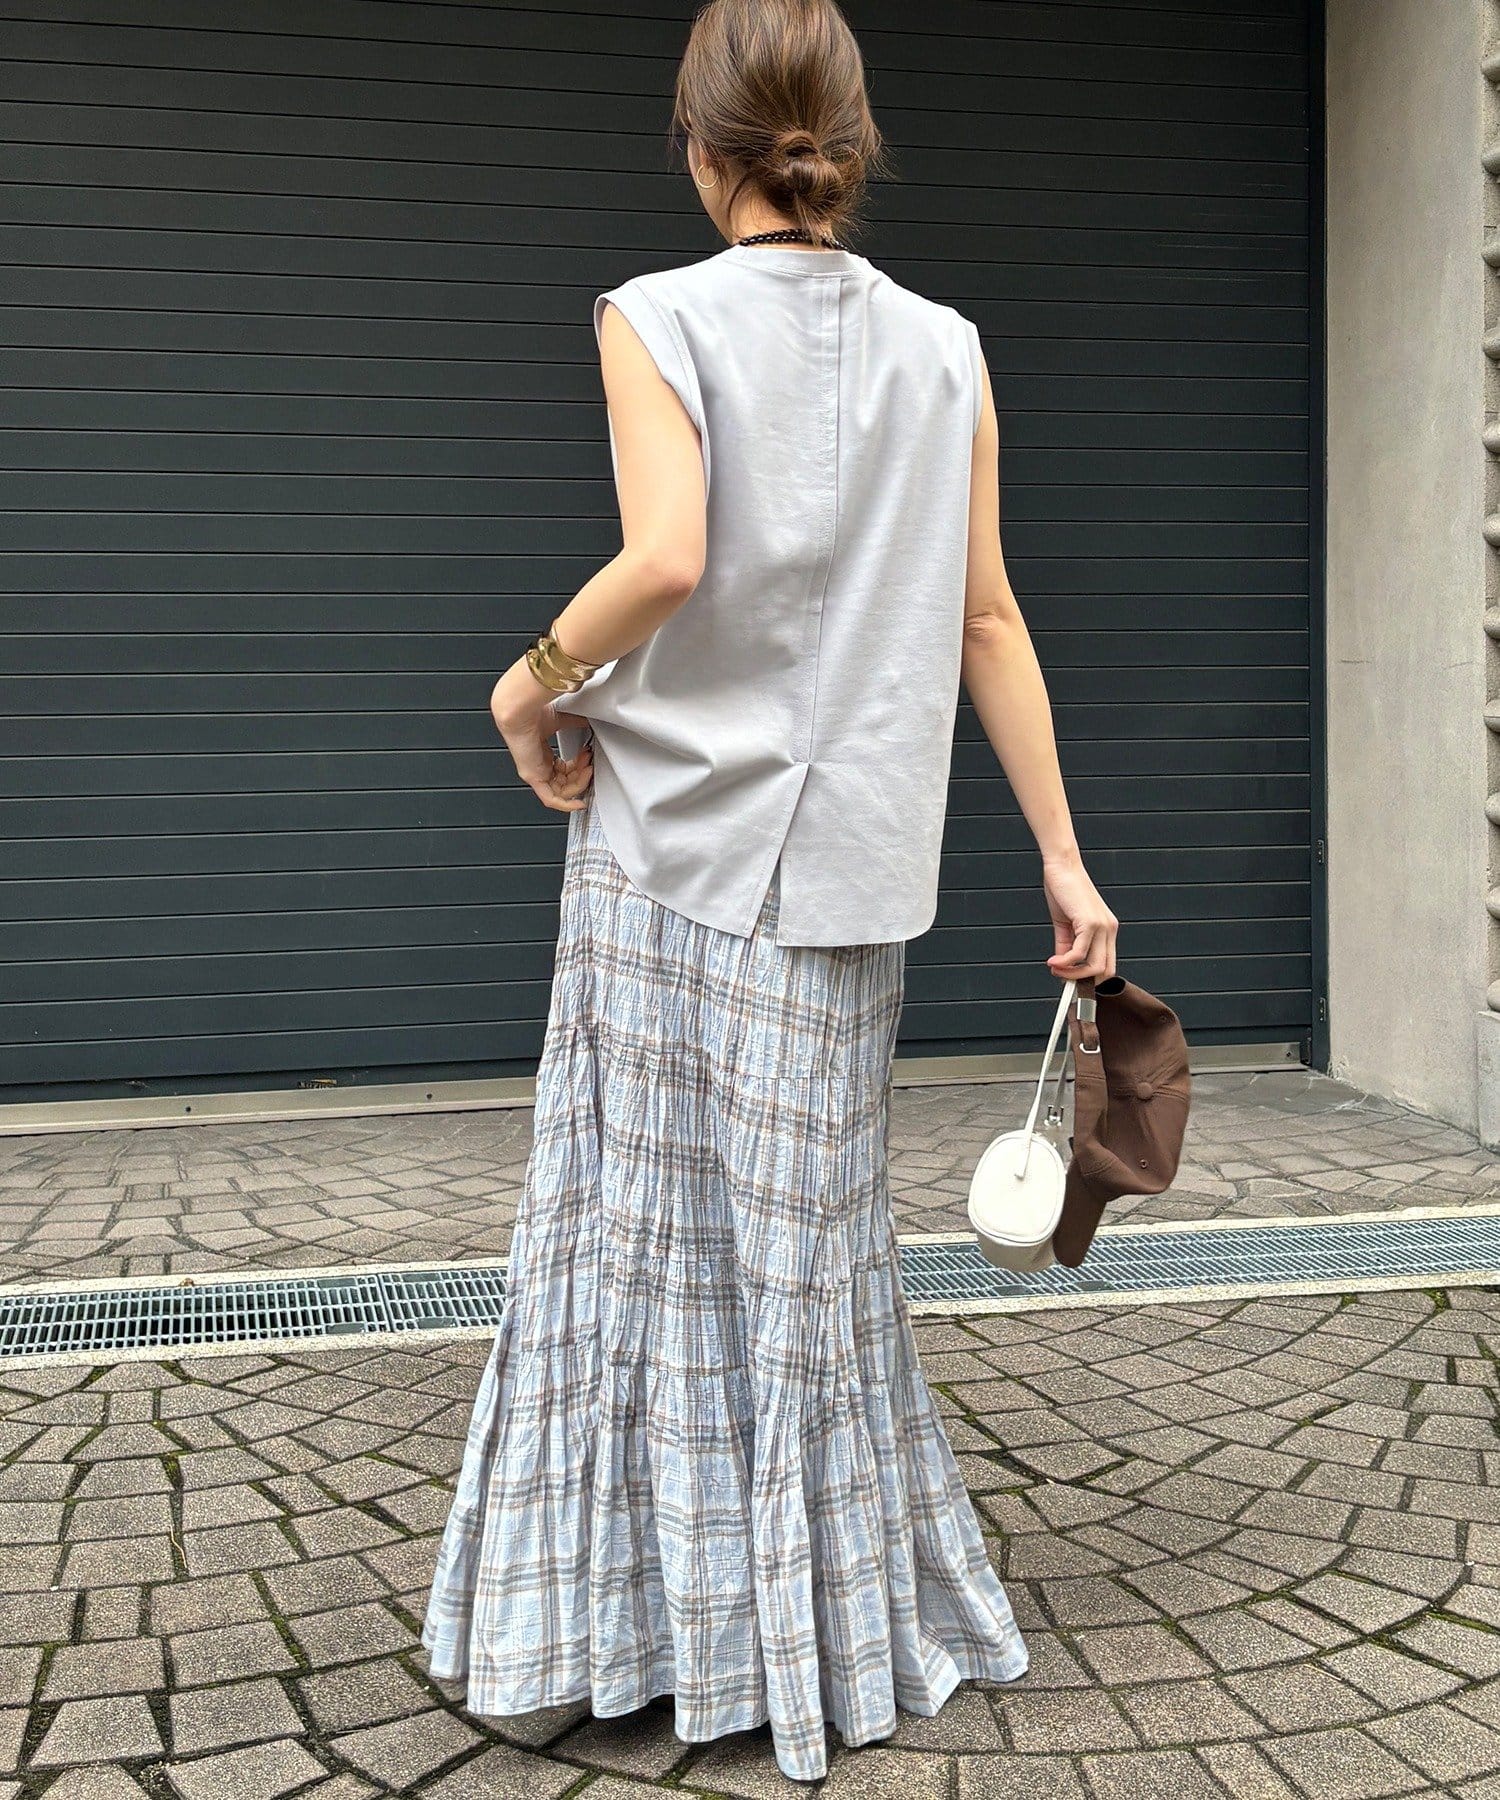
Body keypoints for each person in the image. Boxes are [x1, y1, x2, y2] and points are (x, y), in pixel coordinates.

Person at [422, 0, 1118, 1783]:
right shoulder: (947, 349)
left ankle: (624, 1627)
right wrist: (1060, 851)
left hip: (668, 855)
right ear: (851, 145)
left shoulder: (653, 317)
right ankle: (818, 1642)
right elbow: (987, 616)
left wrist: (526, 684)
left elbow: (668, 556)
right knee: (810, 1260)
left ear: (698, 140)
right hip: (848, 882)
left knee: (639, 1238)